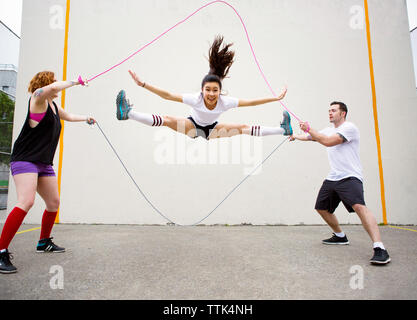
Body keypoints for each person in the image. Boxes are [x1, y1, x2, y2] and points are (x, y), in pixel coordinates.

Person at [0, 71, 95, 274]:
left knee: (53, 203)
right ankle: (1, 250)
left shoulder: (52, 106)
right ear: (46, 83)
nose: (55, 84)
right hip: (25, 160)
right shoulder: (37, 99)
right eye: (53, 80)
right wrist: (76, 82)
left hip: (43, 163)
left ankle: (44, 242)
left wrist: (86, 118)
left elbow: (68, 116)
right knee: (26, 201)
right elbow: (51, 89)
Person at [115, 35, 293, 140]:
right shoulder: (196, 99)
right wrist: (143, 84)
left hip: (213, 130)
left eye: (215, 90)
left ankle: (283, 130)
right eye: (208, 90)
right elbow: (168, 95)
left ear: (219, 91)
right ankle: (128, 114)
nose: (211, 93)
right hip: (192, 126)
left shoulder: (225, 102)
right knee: (167, 119)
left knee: (243, 127)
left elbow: (252, 103)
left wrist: (275, 98)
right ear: (202, 90)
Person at [290, 101, 390, 265]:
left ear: (343, 113)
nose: (330, 113)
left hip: (350, 177)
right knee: (321, 208)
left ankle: (380, 248)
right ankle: (340, 236)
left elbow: (328, 141)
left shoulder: (349, 128)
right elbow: (312, 137)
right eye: (329, 110)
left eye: (334, 110)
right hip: (333, 177)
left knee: (359, 207)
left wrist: (310, 129)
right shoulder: (328, 130)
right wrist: (296, 136)